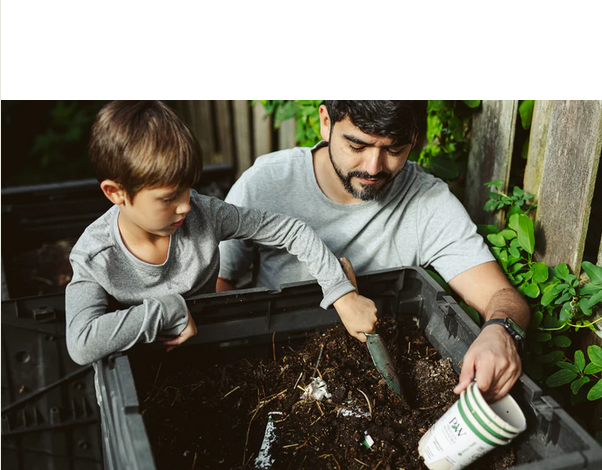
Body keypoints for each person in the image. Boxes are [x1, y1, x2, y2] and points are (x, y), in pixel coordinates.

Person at [218, 100, 530, 401]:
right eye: (357, 146)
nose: (373, 167)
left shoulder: (427, 203)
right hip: (276, 362)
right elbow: (221, 283)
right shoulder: (267, 183)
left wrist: (501, 332)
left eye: (394, 149)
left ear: (414, 139)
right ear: (326, 122)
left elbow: (500, 296)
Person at [65, 101, 377, 366]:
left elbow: (289, 229)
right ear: (115, 192)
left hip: (212, 353)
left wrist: (340, 291)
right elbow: (81, 341)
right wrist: (170, 310)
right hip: (141, 370)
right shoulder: (95, 255)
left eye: (187, 190)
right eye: (168, 197)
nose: (185, 206)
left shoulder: (204, 215)